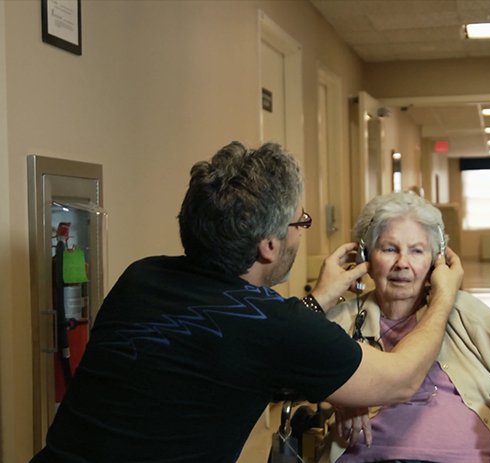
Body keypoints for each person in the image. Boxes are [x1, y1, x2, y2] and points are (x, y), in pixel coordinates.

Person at [31, 142, 464, 463]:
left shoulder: (140, 277)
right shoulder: (276, 324)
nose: (301, 231)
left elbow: (231, 352)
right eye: (300, 221)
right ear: (269, 246)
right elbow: (401, 379)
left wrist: (319, 299)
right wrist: (444, 293)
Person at [324, 192, 490, 463]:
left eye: (417, 251)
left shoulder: (459, 310)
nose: (402, 263)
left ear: (435, 262)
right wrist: (340, 395)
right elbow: (288, 365)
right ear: (366, 258)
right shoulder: (343, 320)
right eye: (389, 249)